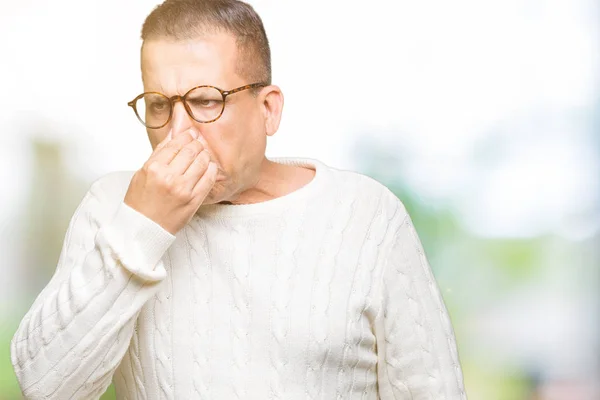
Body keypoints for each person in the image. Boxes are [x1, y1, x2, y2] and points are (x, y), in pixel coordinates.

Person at [10, 0, 467, 398]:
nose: (178, 132)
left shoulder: (366, 216)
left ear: (268, 109)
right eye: (158, 104)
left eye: (206, 100)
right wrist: (143, 226)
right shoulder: (112, 207)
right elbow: (46, 389)